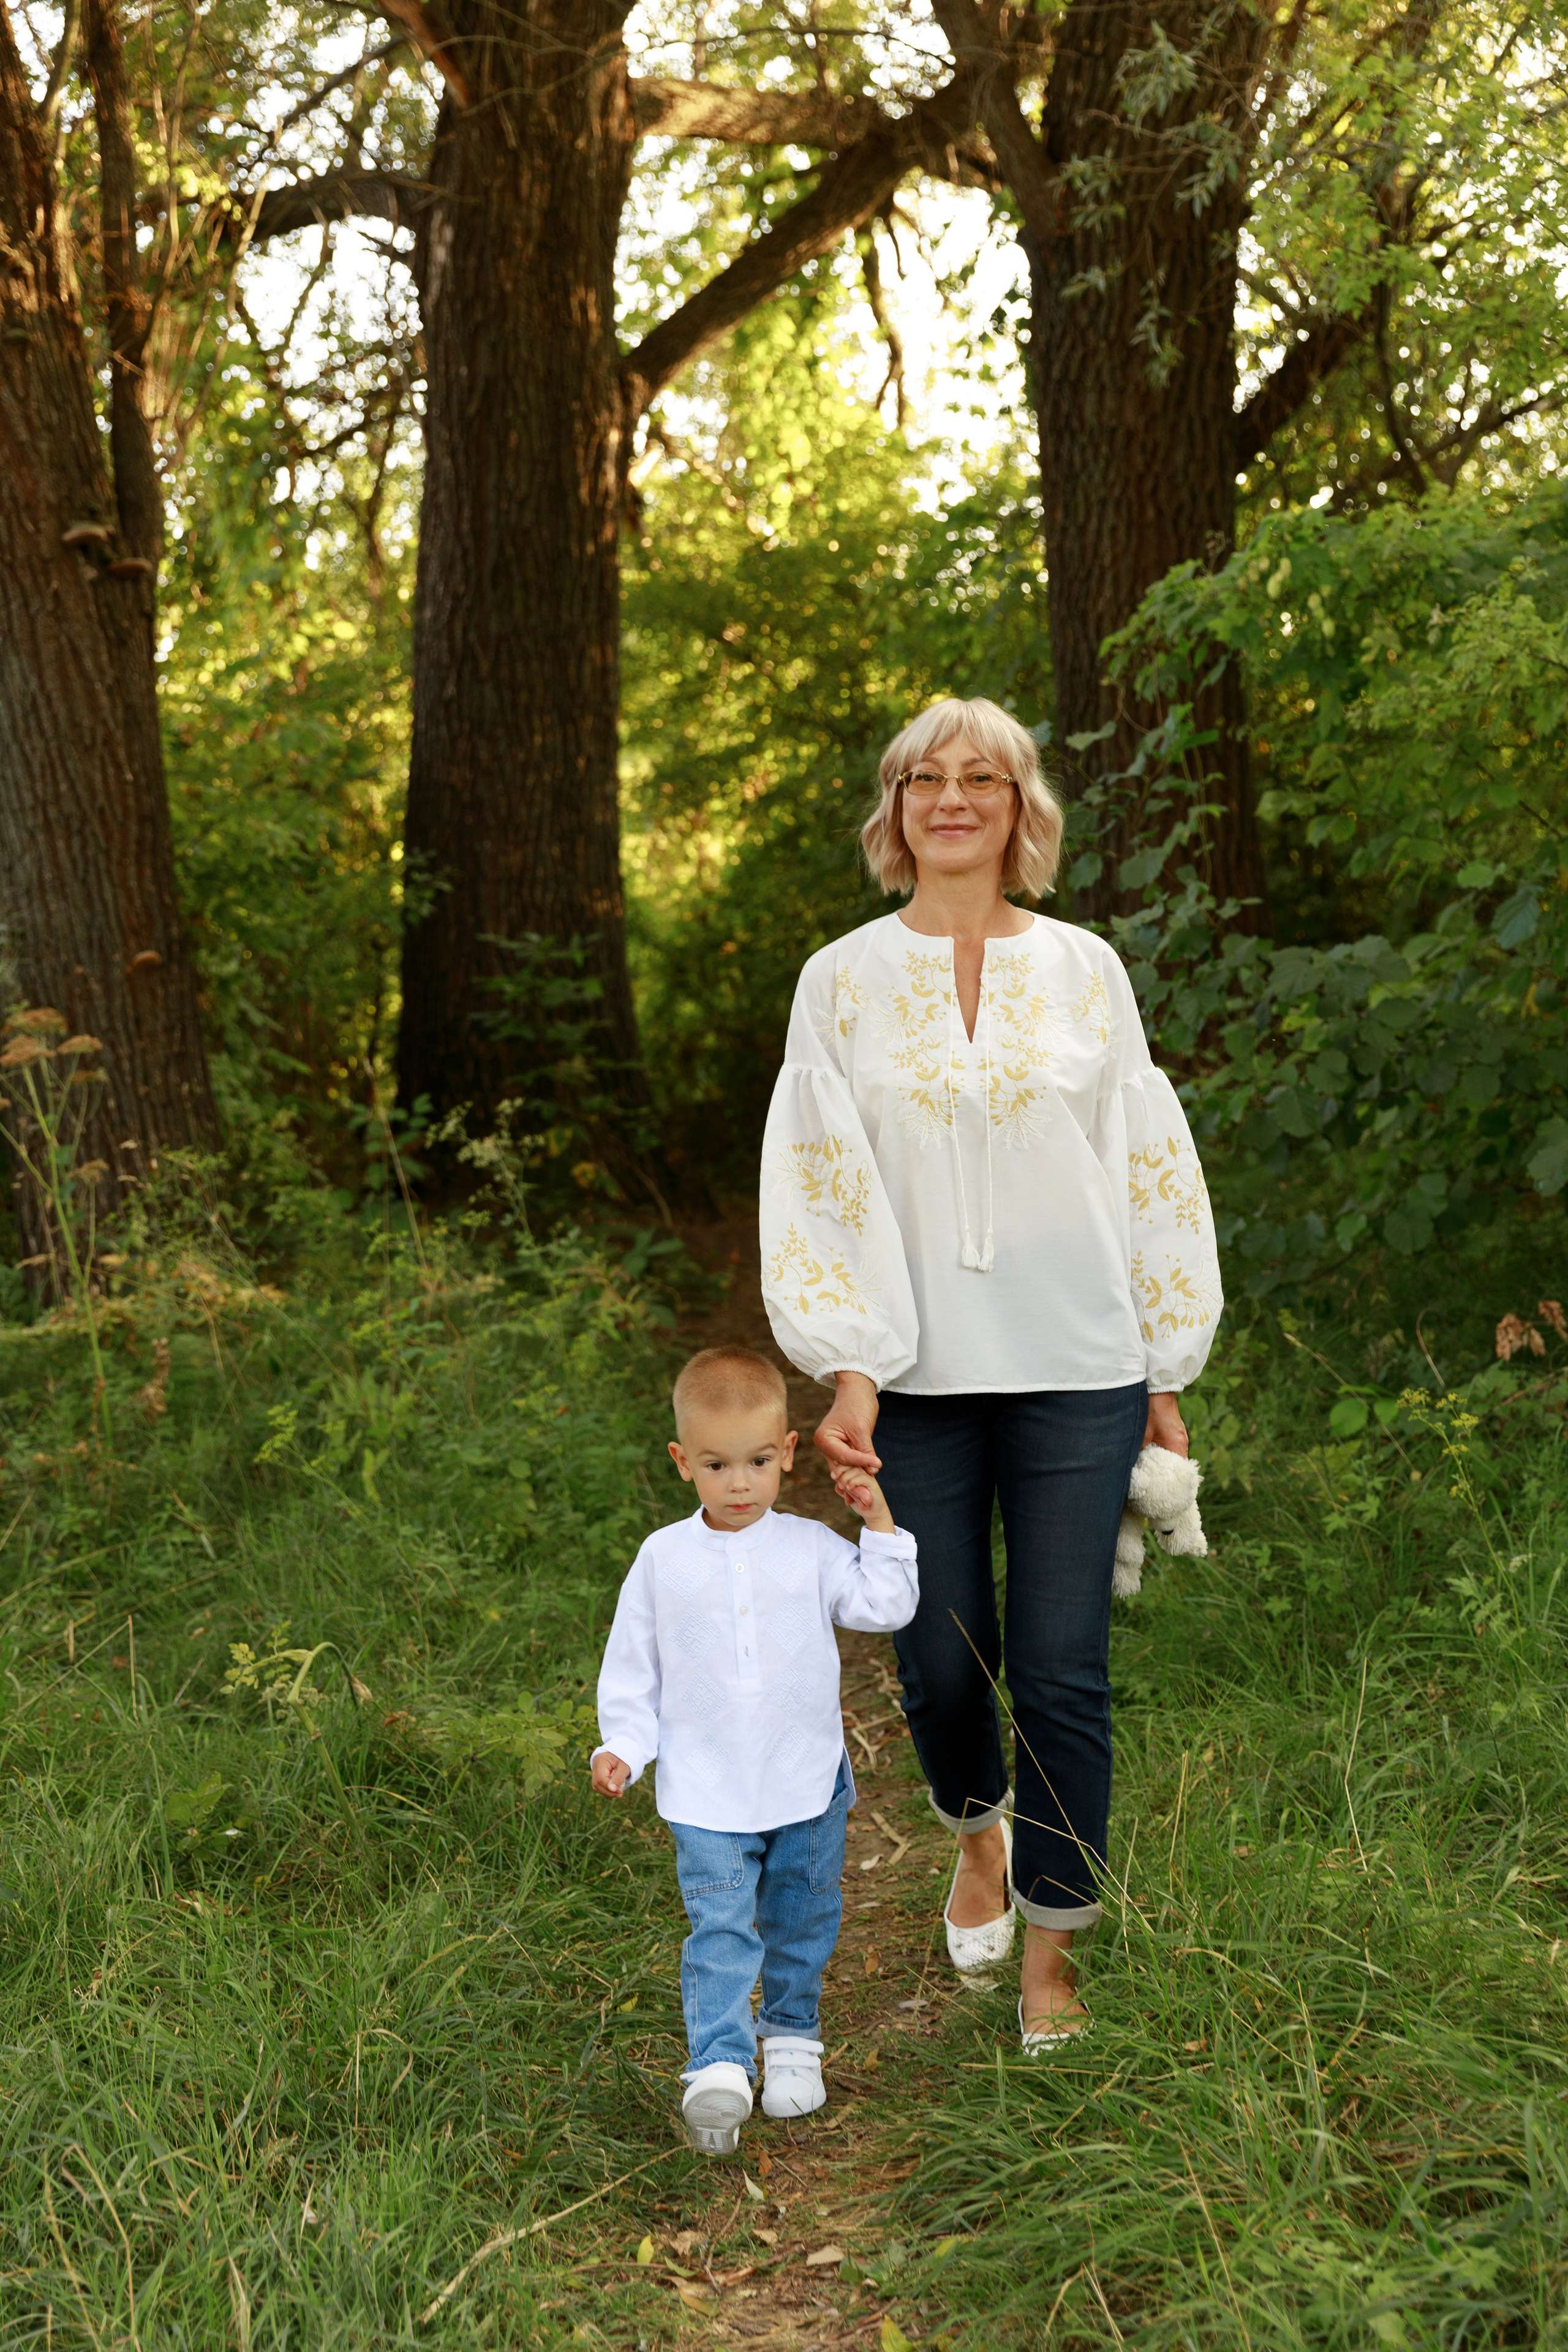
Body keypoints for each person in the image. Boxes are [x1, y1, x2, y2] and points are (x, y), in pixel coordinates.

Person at [759, 696, 1221, 2051]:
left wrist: (1161, 1362)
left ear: (1020, 810)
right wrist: (848, 1369)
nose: (951, 798)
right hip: (912, 1383)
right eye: (924, 780)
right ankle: (976, 1836)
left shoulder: (1085, 970)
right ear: (894, 813)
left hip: (1077, 1364)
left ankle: (1051, 1961)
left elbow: (1144, 1168)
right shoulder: (837, 982)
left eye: (981, 778)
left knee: (1062, 1667)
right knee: (943, 1661)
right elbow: (820, 1190)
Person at [590, 1345, 918, 2154]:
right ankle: (719, 2070)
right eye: (718, 1465)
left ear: (789, 1455)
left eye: (760, 1462)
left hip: (803, 1774)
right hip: (706, 1786)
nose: (741, 1484)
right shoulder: (663, 1560)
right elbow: (634, 1663)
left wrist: (876, 1522)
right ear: (682, 1463)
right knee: (722, 1928)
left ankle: (794, 2038)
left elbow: (884, 1605)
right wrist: (624, 1744)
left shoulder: (808, 1547)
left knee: (802, 1917)